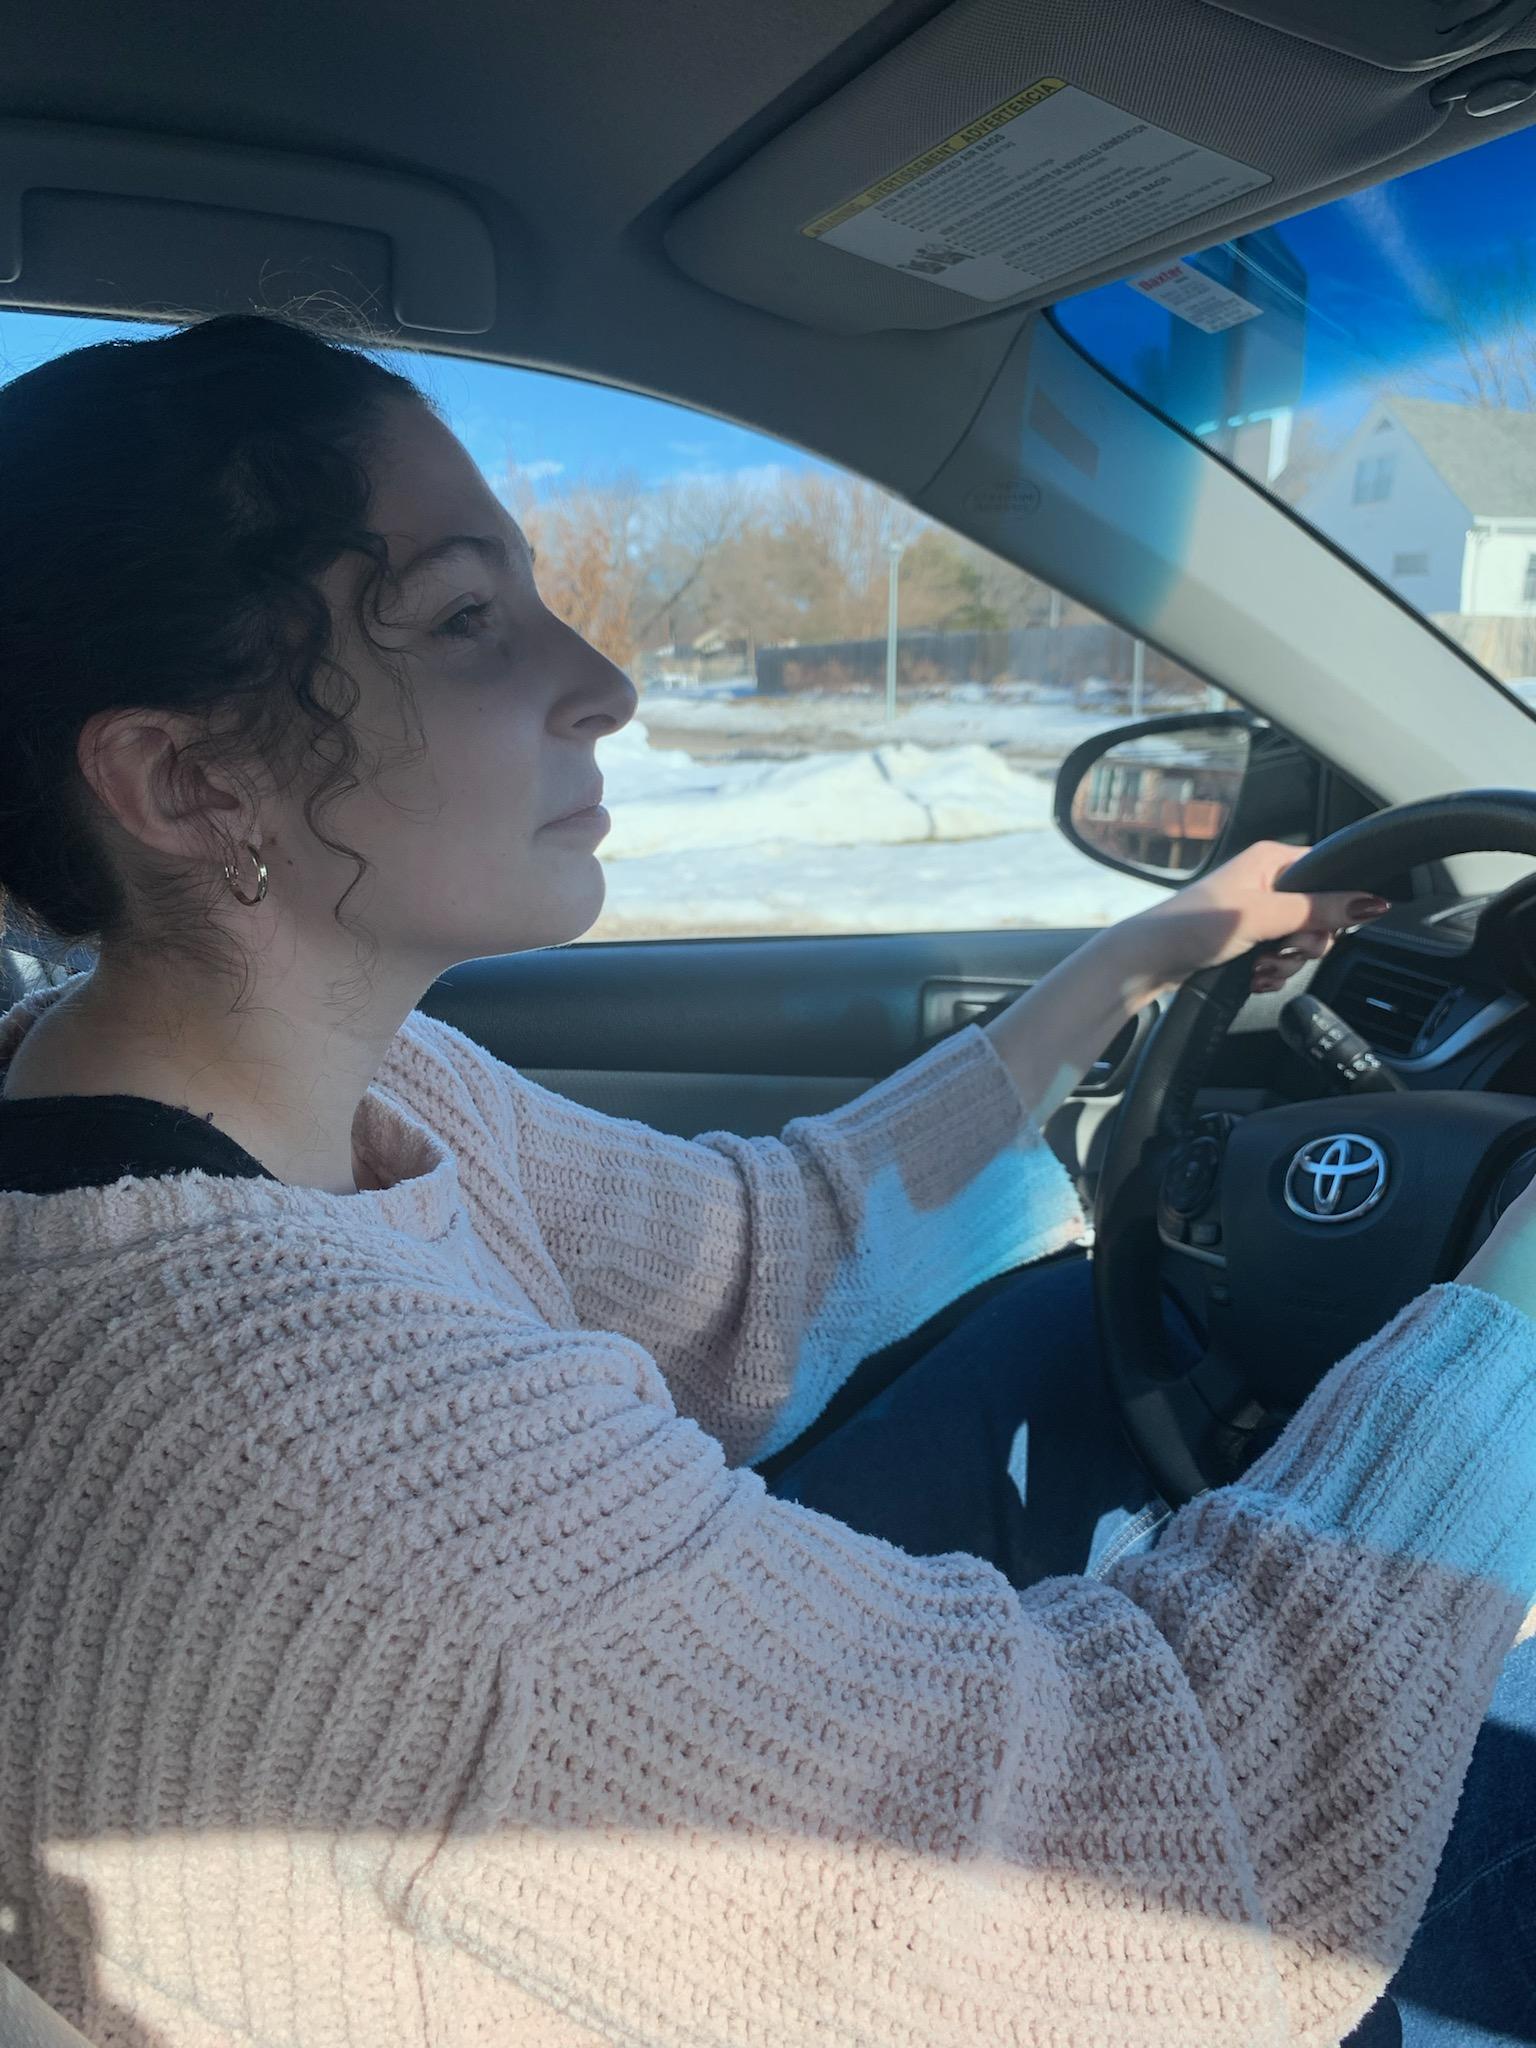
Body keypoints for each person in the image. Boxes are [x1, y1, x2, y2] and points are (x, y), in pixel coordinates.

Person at [0, 311, 1531, 2048]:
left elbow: (753, 1257)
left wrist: (1132, 962)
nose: (607, 682)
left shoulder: (317, 1092)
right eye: (465, 620)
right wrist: (1507, 1324)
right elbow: (1184, 1877)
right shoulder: (322, 1454)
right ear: (184, 780)